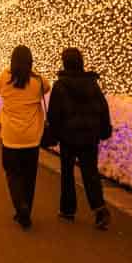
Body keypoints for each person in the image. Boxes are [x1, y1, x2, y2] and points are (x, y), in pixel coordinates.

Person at [47, 48, 113, 230]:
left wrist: (53, 133)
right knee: (90, 173)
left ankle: (68, 209)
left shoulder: (60, 86)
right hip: (89, 136)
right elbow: (102, 108)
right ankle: (99, 209)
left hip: (68, 137)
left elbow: (54, 114)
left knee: (67, 173)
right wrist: (105, 129)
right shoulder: (92, 84)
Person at [0, 46, 48, 230]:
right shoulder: (37, 81)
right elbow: (46, 87)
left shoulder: (5, 78)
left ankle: (20, 207)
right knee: (29, 177)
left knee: (12, 174)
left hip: (10, 137)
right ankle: (27, 210)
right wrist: (31, 73)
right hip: (32, 138)